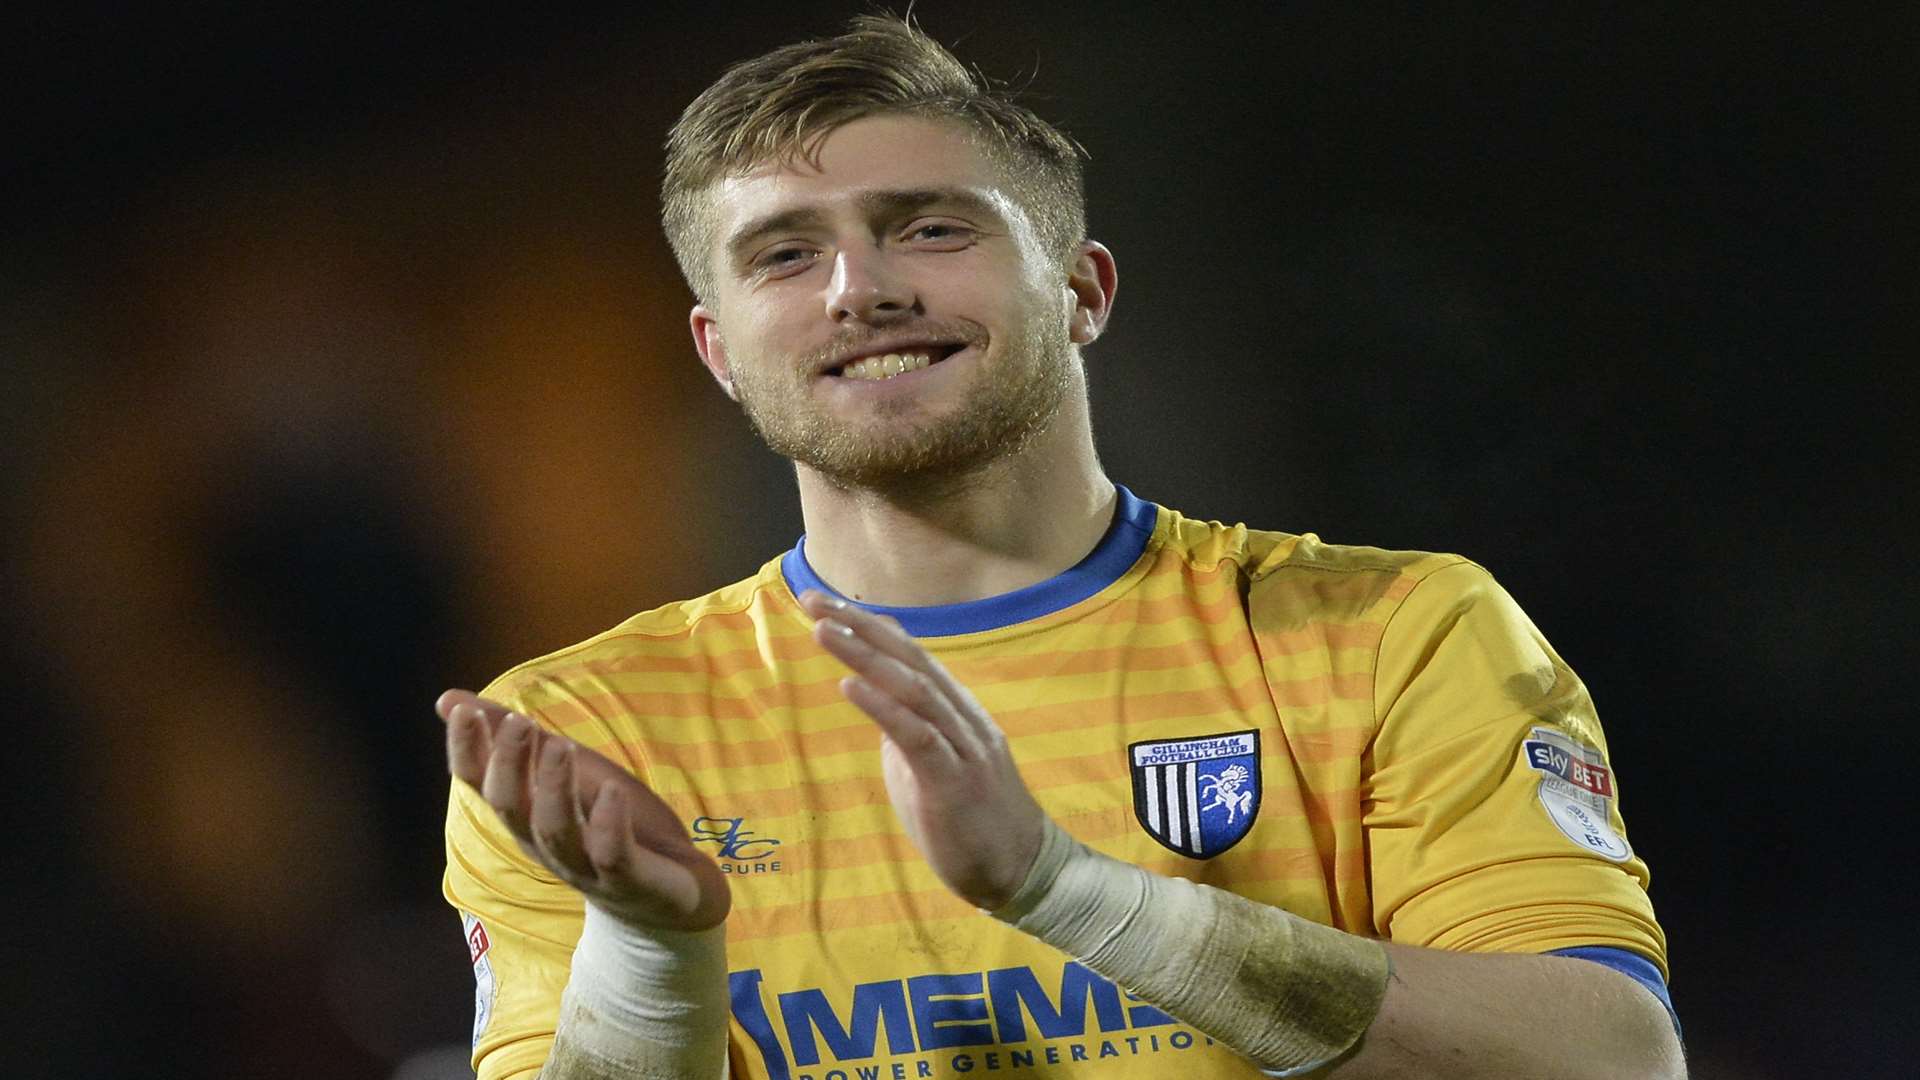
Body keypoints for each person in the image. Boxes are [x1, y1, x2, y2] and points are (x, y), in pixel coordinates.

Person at [440, 15, 1683, 1079]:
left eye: (929, 229)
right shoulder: (591, 734)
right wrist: (651, 953)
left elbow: (1612, 1057)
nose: (856, 289)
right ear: (719, 351)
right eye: (784, 252)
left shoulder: (1388, 635)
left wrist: (1065, 890)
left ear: (1084, 292)